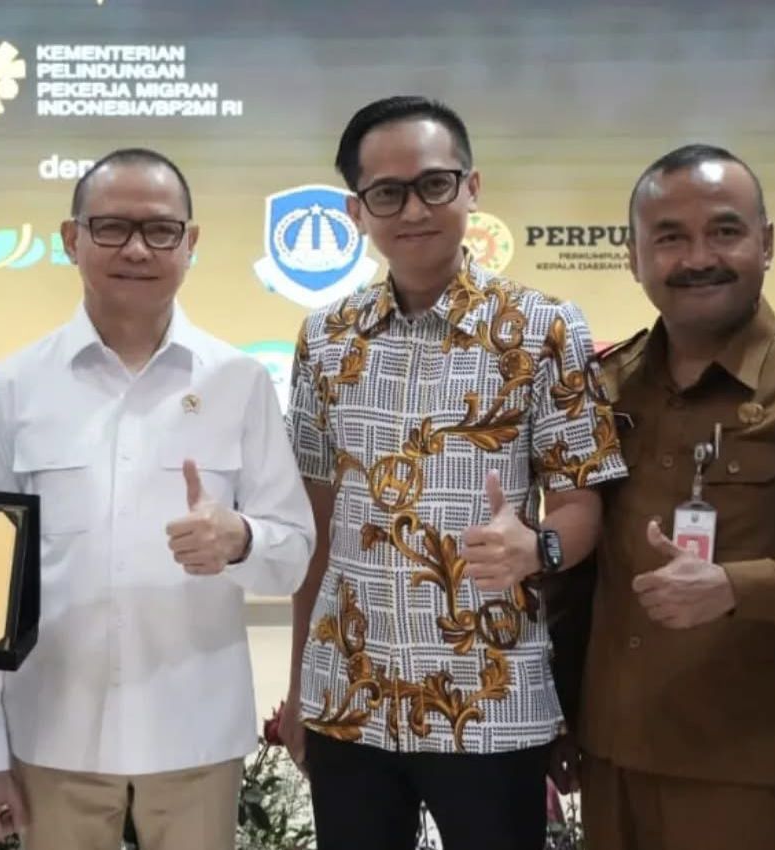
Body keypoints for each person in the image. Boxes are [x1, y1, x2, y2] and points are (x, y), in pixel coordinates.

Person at [279, 95, 627, 850]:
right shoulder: (326, 339)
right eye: (387, 192)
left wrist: (538, 546)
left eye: (434, 184)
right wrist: (300, 682)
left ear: (471, 188)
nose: (413, 210)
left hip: (490, 697)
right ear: (356, 210)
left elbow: (581, 504)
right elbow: (316, 523)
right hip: (351, 694)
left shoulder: (543, 329)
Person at [0, 147, 315, 850]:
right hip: (51, 734)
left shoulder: (239, 381)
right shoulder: (14, 387)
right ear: (71, 238)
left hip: (195, 735)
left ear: (191, 242)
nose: (137, 250)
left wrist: (239, 539)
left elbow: (293, 554)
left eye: (161, 230)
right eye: (111, 228)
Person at [574, 143, 775, 850]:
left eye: (724, 231)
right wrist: (558, 720)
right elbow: (579, 575)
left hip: (745, 766)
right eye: (669, 237)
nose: (699, 257)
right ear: (633, 257)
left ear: (766, 242)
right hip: (610, 754)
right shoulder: (607, 387)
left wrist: (734, 588)